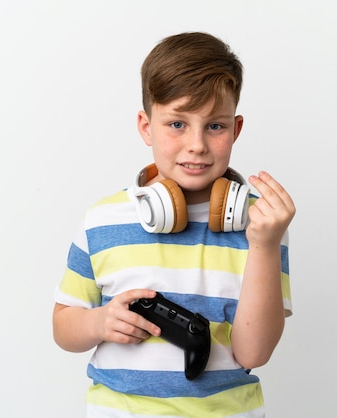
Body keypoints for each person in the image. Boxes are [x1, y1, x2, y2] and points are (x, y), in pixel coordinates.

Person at [52, 31, 296, 417]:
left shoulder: (260, 226)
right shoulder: (102, 220)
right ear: (146, 126)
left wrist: (265, 246)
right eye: (177, 124)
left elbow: (255, 352)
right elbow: (64, 327)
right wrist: (100, 321)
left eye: (214, 126)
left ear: (235, 129)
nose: (196, 144)